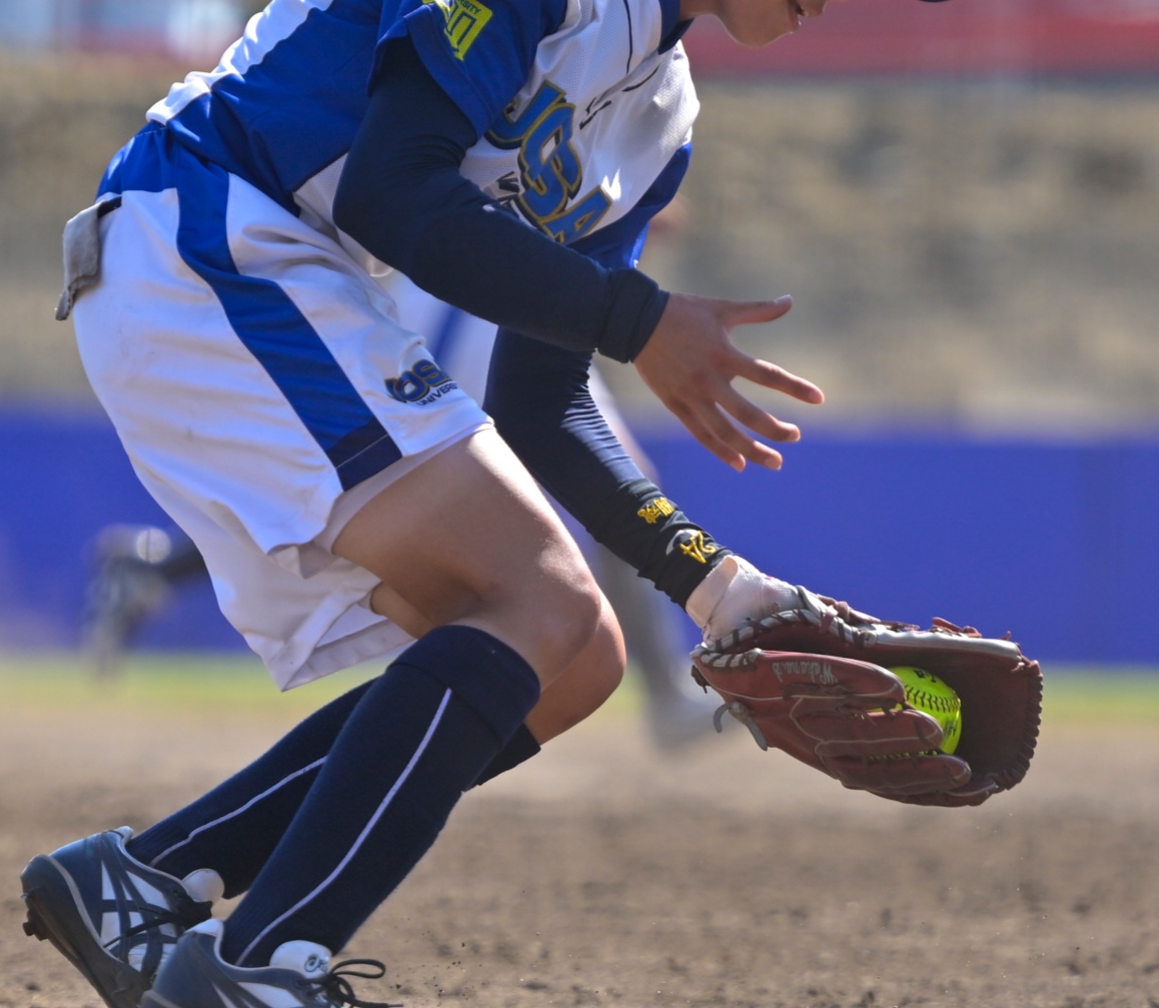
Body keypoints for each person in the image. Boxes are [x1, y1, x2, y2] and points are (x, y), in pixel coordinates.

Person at [19, 0, 971, 1008]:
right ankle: (265, 966)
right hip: (207, 241)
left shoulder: (659, 121)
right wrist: (639, 317)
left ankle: (149, 882)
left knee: (572, 654)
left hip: (267, 276)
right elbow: (398, 192)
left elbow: (541, 396)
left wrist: (717, 586)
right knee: (536, 606)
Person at [79, 282, 721, 749]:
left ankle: (157, 567)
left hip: (486, 304)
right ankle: (659, 695)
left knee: (373, 495)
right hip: (480, 307)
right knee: (384, 493)